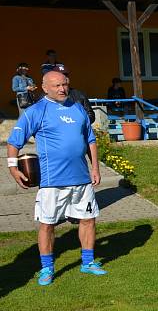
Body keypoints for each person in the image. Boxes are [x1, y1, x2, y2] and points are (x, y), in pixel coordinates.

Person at [7, 70, 106, 286]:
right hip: (52, 182)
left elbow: (90, 140)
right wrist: (13, 168)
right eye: (57, 86)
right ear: (44, 88)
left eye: (65, 84)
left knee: (88, 220)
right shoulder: (36, 111)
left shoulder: (77, 107)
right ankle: (46, 268)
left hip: (81, 179)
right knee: (48, 225)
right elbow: (14, 141)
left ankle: (87, 262)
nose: (62, 89)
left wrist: (95, 168)